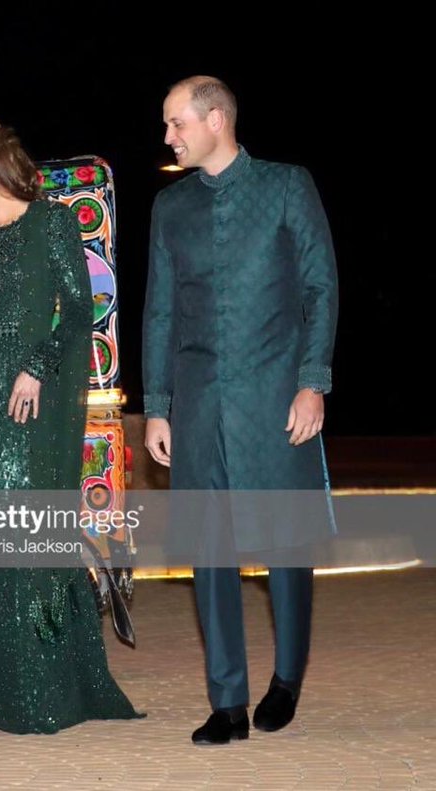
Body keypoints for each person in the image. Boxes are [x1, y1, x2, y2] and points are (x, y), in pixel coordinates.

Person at [0, 117, 142, 734]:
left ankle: (37, 692)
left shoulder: (53, 223)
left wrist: (36, 367)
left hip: (35, 402)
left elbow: (79, 311)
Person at [143, 76, 339, 744]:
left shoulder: (287, 186)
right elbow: (160, 310)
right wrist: (158, 405)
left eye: (176, 123)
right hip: (197, 405)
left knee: (287, 545)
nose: (168, 136)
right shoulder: (171, 207)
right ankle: (226, 701)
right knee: (208, 551)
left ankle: (285, 681)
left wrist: (313, 381)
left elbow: (320, 285)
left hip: (277, 399)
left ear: (215, 119)